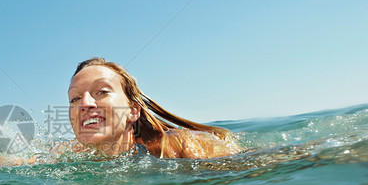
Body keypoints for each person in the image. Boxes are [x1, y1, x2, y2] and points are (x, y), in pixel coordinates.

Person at [66, 57, 241, 159]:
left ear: (133, 111)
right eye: (75, 98)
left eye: (102, 91)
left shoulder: (179, 145)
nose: (84, 103)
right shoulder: (70, 156)